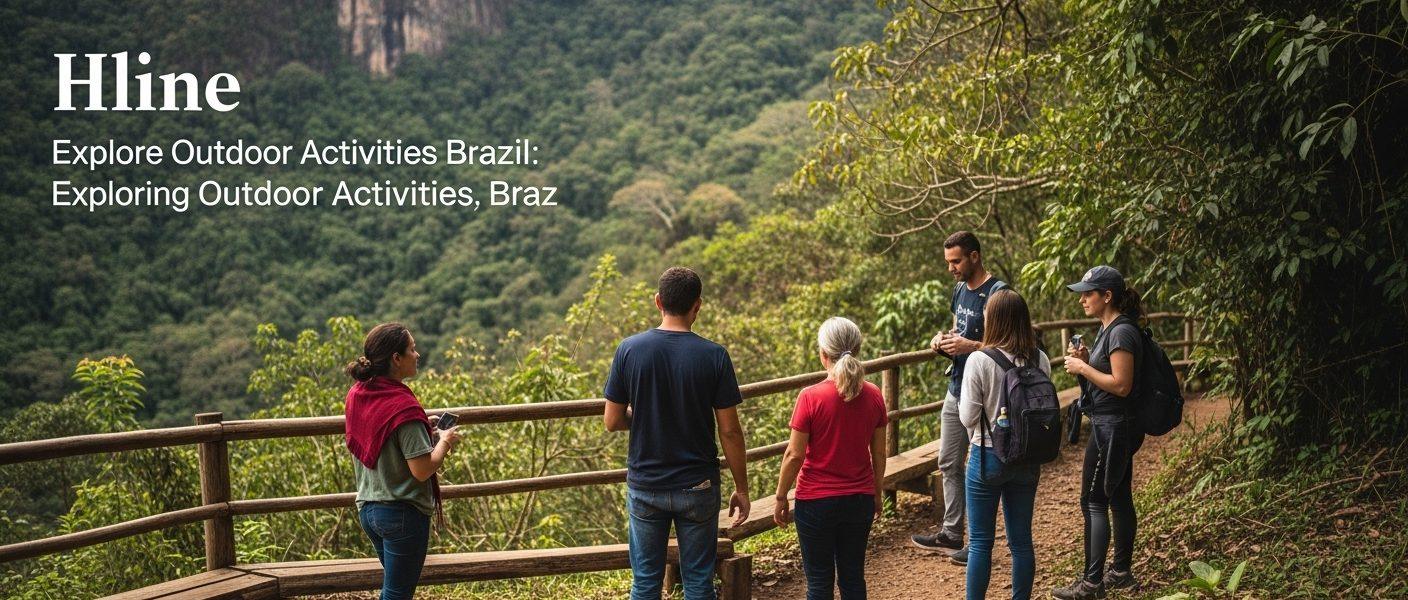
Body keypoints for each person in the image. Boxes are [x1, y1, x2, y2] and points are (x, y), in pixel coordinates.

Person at [603, 267, 751, 600]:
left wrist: (644, 418)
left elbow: (611, 420)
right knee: (699, 582)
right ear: (697, 306)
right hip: (698, 485)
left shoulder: (629, 350)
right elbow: (730, 431)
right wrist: (741, 488)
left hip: (646, 486)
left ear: (658, 302)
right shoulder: (715, 356)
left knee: (644, 584)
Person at [344, 322, 462, 600]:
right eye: (412, 349)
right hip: (401, 513)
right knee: (397, 595)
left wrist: (422, 427)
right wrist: (444, 441)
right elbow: (422, 469)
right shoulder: (402, 407)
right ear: (396, 359)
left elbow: (388, 438)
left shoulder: (358, 395)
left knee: (394, 590)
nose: (417, 354)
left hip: (369, 509)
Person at [773, 317, 889, 600]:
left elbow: (793, 455)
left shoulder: (810, 397)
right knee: (852, 578)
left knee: (819, 584)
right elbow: (879, 452)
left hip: (816, 503)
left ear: (823, 355)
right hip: (859, 499)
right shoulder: (874, 395)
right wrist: (876, 492)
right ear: (857, 349)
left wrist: (780, 496)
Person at [912, 230, 1008, 567]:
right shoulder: (958, 291)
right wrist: (945, 340)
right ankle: (952, 531)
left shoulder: (998, 295)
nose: (951, 267)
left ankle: (979, 542)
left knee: (980, 465)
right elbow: (960, 331)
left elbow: (1009, 348)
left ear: (974, 256)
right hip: (957, 386)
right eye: (948, 262)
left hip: (986, 394)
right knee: (948, 461)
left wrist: (971, 347)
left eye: (956, 261)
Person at [1052, 266, 1145, 600]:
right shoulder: (1110, 329)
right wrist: (1089, 358)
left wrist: (1082, 367)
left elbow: (1122, 385)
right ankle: (1120, 572)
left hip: (1112, 427)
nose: (1082, 300)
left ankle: (1092, 584)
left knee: (1093, 500)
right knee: (1118, 497)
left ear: (1107, 296)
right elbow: (1111, 373)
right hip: (1113, 425)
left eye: (1088, 294)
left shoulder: (1121, 332)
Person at [958, 290, 1050, 600]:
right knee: (1021, 541)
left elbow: (968, 417)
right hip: (1027, 456)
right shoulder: (1041, 358)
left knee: (981, 542)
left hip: (988, 456)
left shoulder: (980, 360)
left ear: (993, 320)